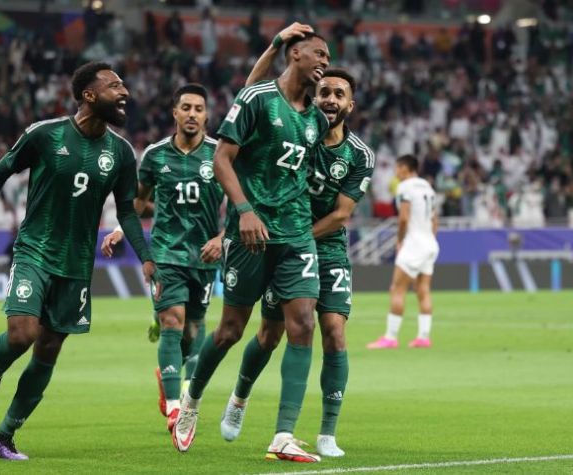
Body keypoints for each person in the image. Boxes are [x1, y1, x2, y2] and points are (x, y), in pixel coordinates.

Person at [0, 61, 158, 461]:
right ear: (89, 95)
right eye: (114, 86)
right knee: (21, 334)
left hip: (77, 265)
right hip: (35, 251)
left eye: (124, 85)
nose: (124, 92)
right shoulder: (46, 134)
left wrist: (145, 257)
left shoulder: (122, 152)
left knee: (48, 349)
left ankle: (4, 436)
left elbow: (127, 211)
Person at [172, 30, 331, 463]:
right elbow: (221, 158)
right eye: (318, 53)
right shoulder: (258, 98)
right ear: (294, 54)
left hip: (295, 234)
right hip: (250, 235)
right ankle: (191, 400)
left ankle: (283, 434)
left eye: (328, 57)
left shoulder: (317, 121)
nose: (324, 61)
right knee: (229, 331)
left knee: (303, 324)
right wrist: (243, 210)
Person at [217, 24, 375, 459]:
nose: (331, 99)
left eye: (340, 94)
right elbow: (250, 94)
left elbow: (341, 214)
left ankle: (326, 433)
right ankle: (239, 398)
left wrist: (296, 238)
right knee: (269, 334)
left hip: (322, 244)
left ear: (350, 105)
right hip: (279, 238)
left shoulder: (359, 155)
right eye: (325, 92)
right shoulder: (296, 124)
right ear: (314, 94)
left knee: (334, 331)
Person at [101, 83, 224, 432]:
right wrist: (120, 229)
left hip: (204, 256)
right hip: (166, 253)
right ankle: (175, 407)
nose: (192, 114)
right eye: (186, 107)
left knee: (193, 330)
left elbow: (241, 199)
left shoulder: (221, 154)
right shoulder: (155, 155)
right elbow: (139, 200)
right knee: (173, 321)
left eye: (198, 109)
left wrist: (222, 239)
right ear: (175, 113)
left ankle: (169, 376)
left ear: (206, 115)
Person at [366, 154, 439, 349]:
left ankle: (390, 337)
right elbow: (435, 219)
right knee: (423, 290)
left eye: (398, 168)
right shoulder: (427, 187)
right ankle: (423, 337)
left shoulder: (405, 187)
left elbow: (404, 218)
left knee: (397, 289)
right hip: (430, 243)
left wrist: (400, 240)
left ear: (405, 168)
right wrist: (429, 238)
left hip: (414, 244)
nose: (396, 172)